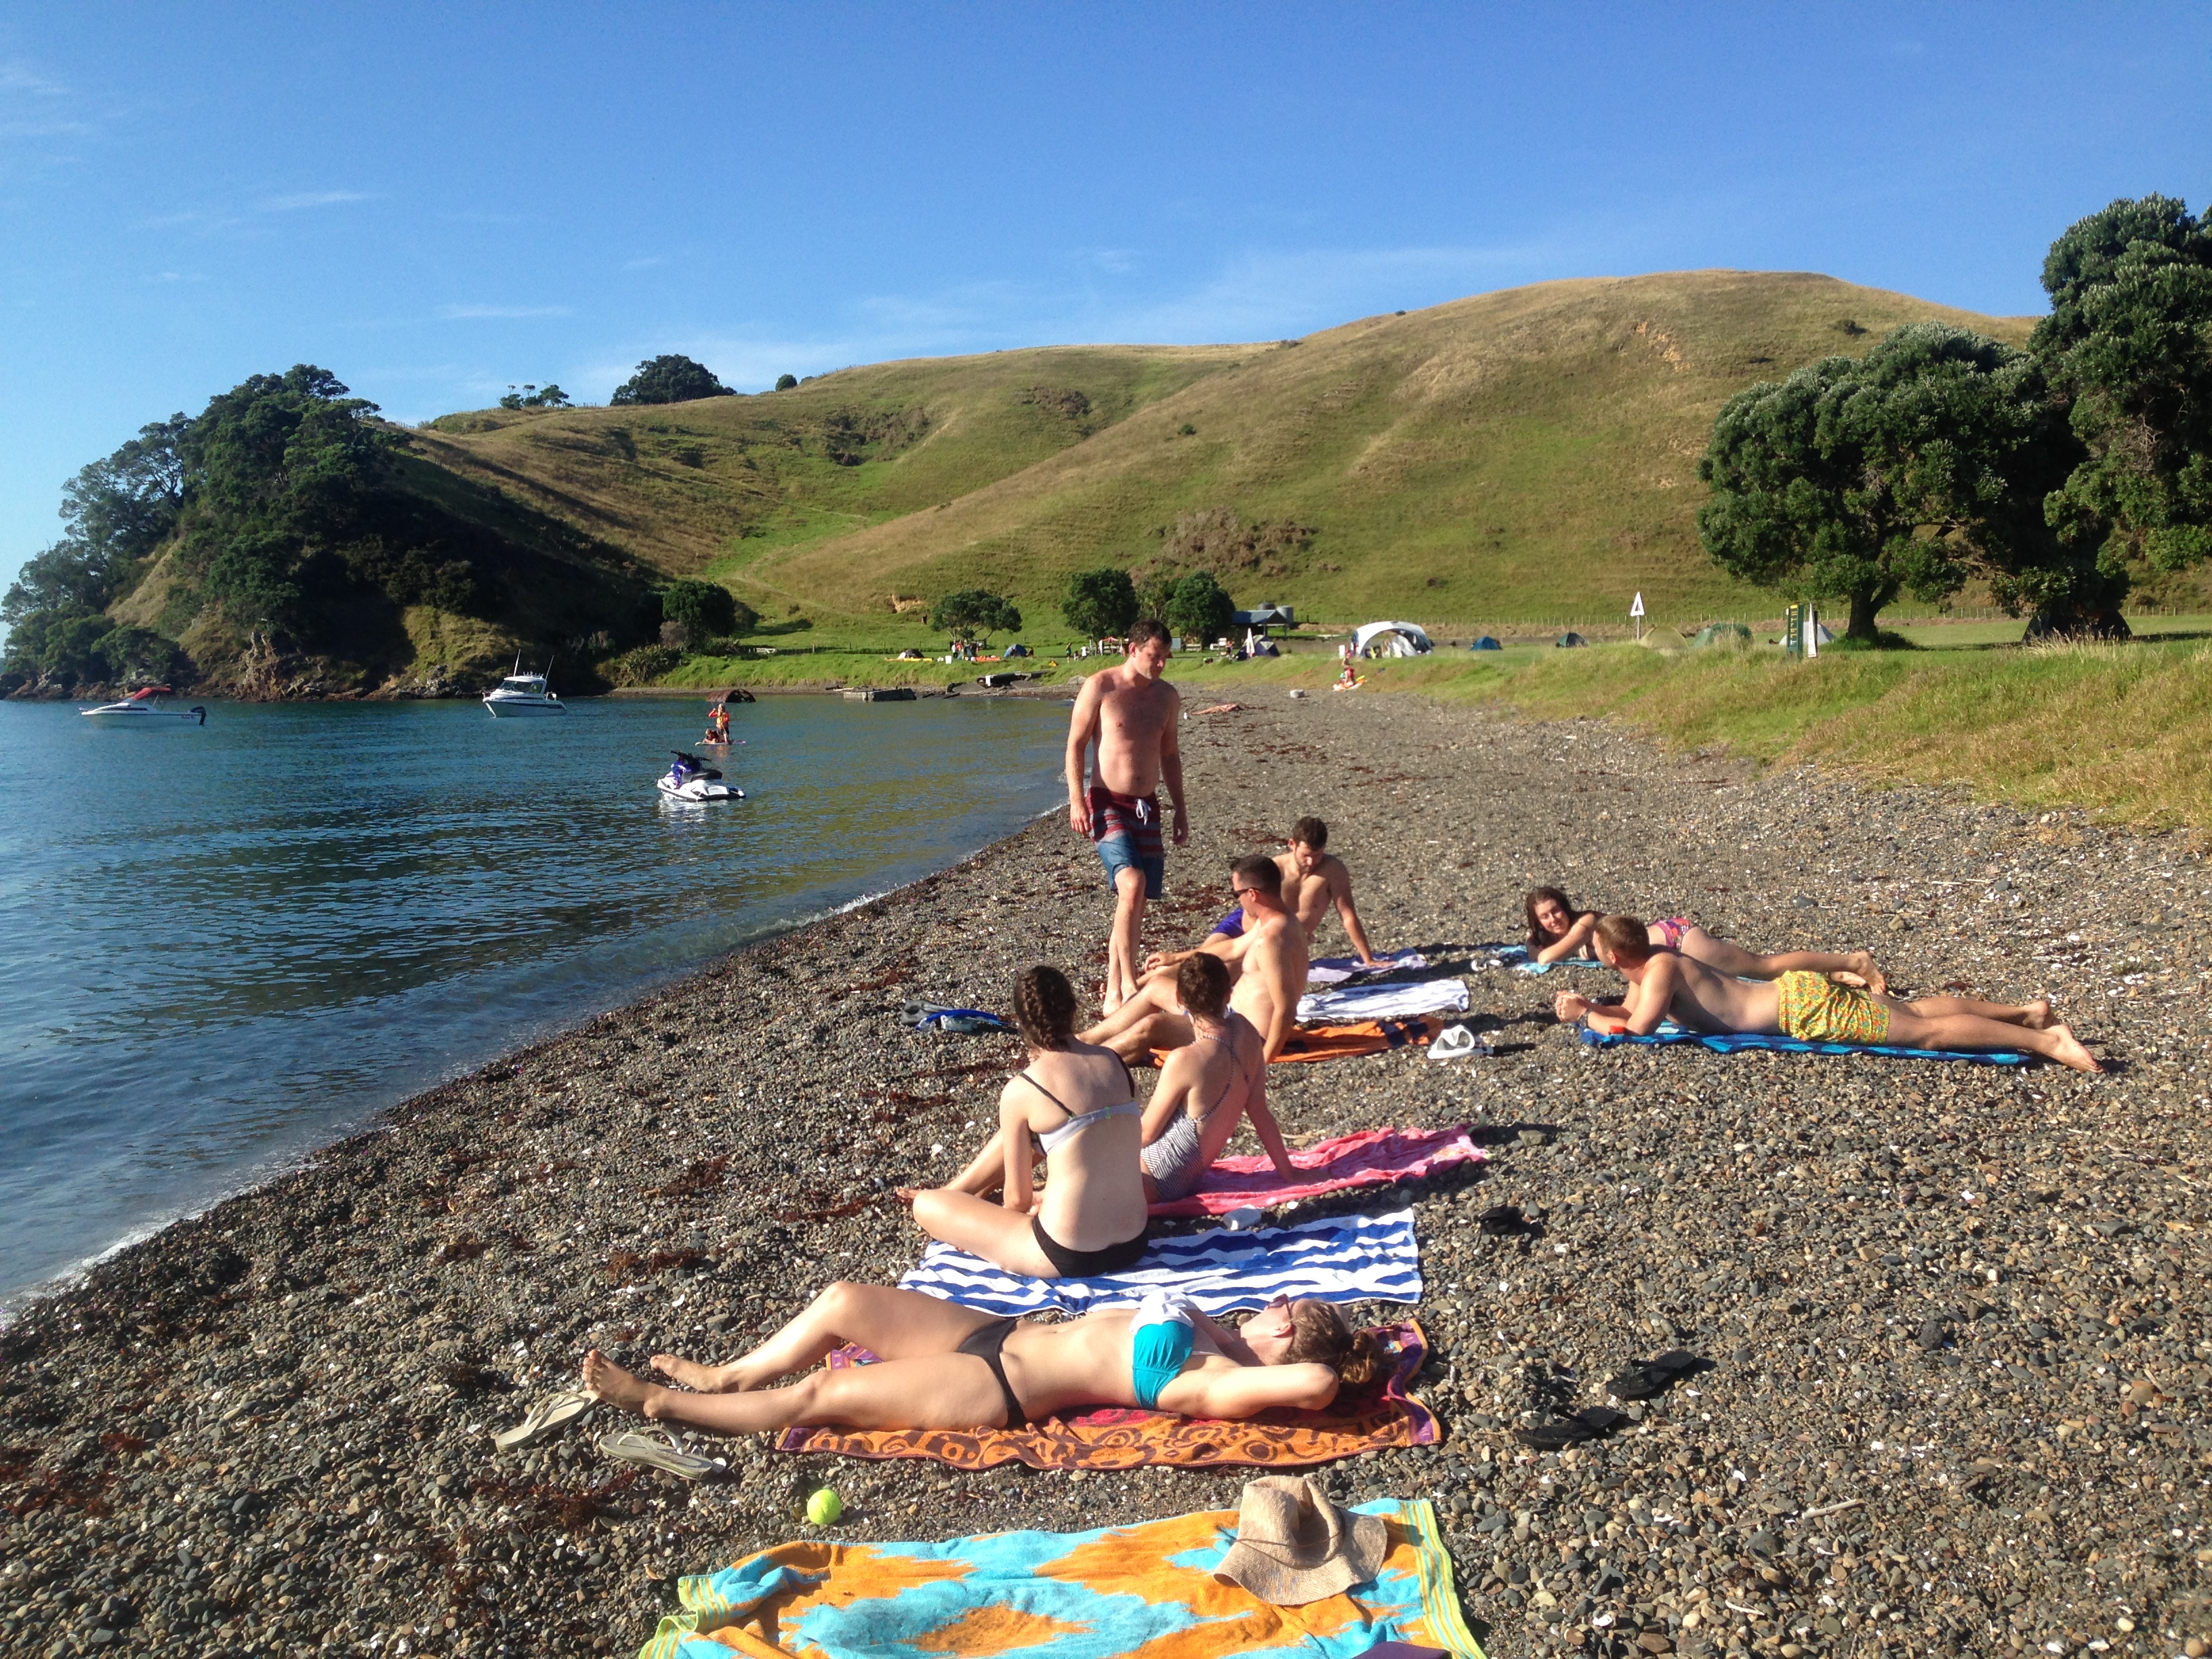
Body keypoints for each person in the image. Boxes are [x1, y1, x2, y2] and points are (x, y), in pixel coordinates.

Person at [578, 1282, 1382, 1435]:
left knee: (822, 1392)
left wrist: (1343, 1362)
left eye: (1289, 1313)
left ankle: (660, 1404)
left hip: (997, 1384)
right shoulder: (1213, 1332)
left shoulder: (1216, 1382)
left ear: (1287, 1345)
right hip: (997, 1331)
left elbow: (1315, 1386)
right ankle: (727, 1375)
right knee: (843, 1302)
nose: (1275, 1305)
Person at [1555, 914, 2101, 1071]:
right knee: (1912, 1009)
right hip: (1797, 995)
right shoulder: (1655, 965)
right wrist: (1594, 1006)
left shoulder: (1659, 971)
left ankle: (2048, 1042)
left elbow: (1638, 1027)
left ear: (1610, 956)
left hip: (1802, 1008)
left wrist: (1587, 1019)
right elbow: (1632, 1008)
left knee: (1923, 1034)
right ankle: (2025, 1015)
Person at [899, 966, 1151, 1277]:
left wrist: (993, 1226)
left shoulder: (1024, 1089)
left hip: (1069, 1253)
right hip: (1135, 1242)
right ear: (1073, 1009)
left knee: (926, 1204)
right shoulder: (1115, 1063)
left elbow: (1017, 1200)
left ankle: (958, 1199)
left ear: (1022, 1022)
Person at [1080, 855, 1308, 1065]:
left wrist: (1263, 1062)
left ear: (1253, 894)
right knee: (1157, 985)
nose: (1238, 901)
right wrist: (1175, 957)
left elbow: (1285, 1008)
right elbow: (1233, 948)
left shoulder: (1270, 941)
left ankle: (1086, 1064)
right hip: (1228, 1018)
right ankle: (1084, 1040)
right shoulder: (1279, 921)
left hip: (1241, 1037)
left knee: (1153, 1026)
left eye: (1236, 893)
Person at [1066, 619, 1188, 1012]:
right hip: (1105, 801)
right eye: (1155, 656)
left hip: (1146, 806)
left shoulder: (1167, 697)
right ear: (1131, 650)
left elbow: (1169, 755)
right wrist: (1076, 800)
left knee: (1135, 901)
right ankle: (1124, 988)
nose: (1161, 665)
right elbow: (1076, 745)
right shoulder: (1101, 686)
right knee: (1131, 885)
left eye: (1166, 658)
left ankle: (1115, 987)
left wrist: (1180, 808)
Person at [1139, 954, 1297, 1203]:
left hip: (1153, 1178)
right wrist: (1289, 1173)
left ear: (1180, 999)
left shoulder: (1184, 1060)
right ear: (1228, 995)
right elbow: (1258, 1109)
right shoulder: (1246, 1031)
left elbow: (1146, 1134)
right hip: (1187, 1181)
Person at [1525, 885, 1886, 990]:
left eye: (1556, 910)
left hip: (1677, 940)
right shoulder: (1564, 934)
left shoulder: (1585, 924)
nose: (1554, 918)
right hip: (1669, 941)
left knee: (1763, 968)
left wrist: (1539, 941)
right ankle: (1832, 974)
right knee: (1751, 977)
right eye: (1545, 916)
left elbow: (1546, 958)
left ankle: (1853, 961)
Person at [1200, 817, 1380, 967]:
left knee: (1221, 972)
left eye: (1317, 855)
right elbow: (1250, 917)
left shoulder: (1333, 871)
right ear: (1292, 844)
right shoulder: (1275, 868)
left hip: (1277, 941)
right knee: (1196, 961)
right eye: (1306, 855)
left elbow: (1347, 915)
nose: (1311, 862)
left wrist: (1368, 959)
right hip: (1249, 922)